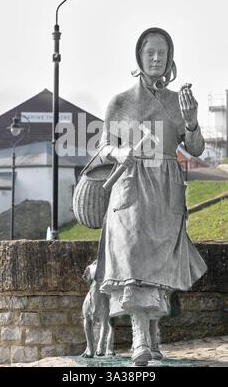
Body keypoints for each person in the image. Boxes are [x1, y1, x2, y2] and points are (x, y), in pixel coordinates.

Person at [95, 27, 207, 366]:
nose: (157, 58)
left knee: (159, 263)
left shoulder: (177, 103)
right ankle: (140, 336)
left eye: (162, 53)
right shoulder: (122, 102)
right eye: (150, 53)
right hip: (130, 186)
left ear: (170, 58)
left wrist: (191, 123)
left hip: (167, 190)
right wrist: (119, 153)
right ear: (139, 58)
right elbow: (102, 147)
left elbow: (196, 148)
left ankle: (153, 338)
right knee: (132, 256)